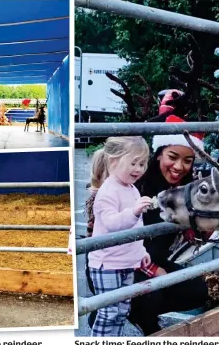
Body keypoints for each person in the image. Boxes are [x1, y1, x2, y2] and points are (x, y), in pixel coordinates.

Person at [84, 115, 210, 336]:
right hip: (115, 261)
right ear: (159, 153)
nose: (179, 166)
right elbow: (119, 229)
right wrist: (152, 269)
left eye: (188, 161)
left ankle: (127, 310)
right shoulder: (135, 183)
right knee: (150, 293)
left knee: (197, 290)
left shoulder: (185, 189)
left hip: (144, 256)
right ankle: (129, 316)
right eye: (173, 157)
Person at [87, 136, 154, 337]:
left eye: (142, 164)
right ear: (113, 161)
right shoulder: (108, 190)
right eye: (133, 163)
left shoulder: (132, 189)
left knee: (122, 311)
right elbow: (112, 224)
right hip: (106, 263)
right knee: (109, 312)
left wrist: (140, 252)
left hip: (126, 262)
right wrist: (133, 212)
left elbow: (137, 228)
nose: (138, 169)